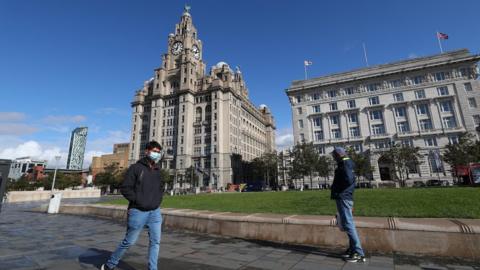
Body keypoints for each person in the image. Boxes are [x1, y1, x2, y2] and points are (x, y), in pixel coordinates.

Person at [101, 141, 165, 270]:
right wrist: (138, 201)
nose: (156, 154)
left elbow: (160, 187)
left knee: (155, 242)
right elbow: (125, 188)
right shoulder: (136, 168)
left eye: (158, 152)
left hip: (155, 212)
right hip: (138, 212)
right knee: (129, 241)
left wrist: (157, 201)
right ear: (146, 151)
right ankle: (110, 264)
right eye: (154, 151)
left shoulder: (158, 170)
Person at [330, 147, 366, 263]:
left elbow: (349, 179)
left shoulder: (345, 163)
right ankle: (352, 249)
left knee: (348, 224)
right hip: (345, 197)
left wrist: (339, 191)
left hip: (344, 197)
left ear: (339, 154)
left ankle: (358, 253)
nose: (333, 158)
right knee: (348, 224)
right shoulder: (346, 162)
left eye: (334, 156)